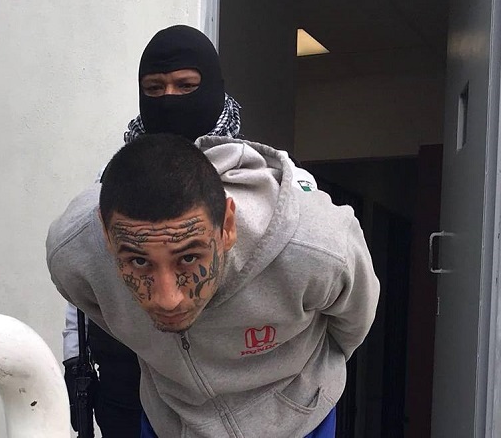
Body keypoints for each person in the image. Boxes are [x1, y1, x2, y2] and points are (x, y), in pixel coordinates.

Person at [61, 24, 318, 437]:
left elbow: (333, 285)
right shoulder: (112, 179)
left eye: (185, 85)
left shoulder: (273, 180)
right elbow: (85, 276)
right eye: (155, 87)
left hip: (234, 383)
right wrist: (75, 355)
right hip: (131, 374)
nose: (169, 99)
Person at [47, 133, 380, 437]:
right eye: (139, 261)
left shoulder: (317, 248)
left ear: (227, 226)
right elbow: (98, 307)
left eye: (189, 257)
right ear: (106, 235)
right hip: (172, 422)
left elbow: (352, 324)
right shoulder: (73, 251)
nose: (167, 299)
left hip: (298, 423)